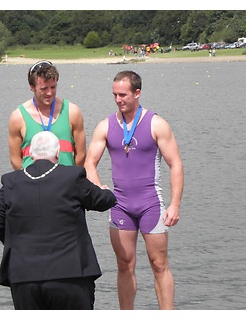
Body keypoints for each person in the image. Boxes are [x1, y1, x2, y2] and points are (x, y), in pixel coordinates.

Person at [84, 70, 184, 310]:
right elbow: (89, 163)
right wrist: (99, 187)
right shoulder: (106, 125)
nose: (118, 99)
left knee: (159, 264)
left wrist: (175, 204)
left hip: (151, 203)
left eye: (123, 94)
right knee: (124, 265)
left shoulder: (156, 124)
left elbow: (176, 164)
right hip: (120, 205)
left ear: (137, 93)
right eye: (115, 95)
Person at [0, 131, 117, 310]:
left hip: (24, 277)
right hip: (70, 273)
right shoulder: (72, 176)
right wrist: (105, 190)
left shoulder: (11, 182)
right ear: (58, 153)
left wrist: (18, 244)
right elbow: (104, 201)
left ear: (30, 153)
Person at [8, 60, 86, 170]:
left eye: (53, 87)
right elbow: (15, 159)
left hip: (65, 184)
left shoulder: (72, 112)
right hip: (33, 184)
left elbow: (81, 154)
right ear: (32, 87)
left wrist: (72, 179)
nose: (49, 93)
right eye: (44, 89)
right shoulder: (17, 117)